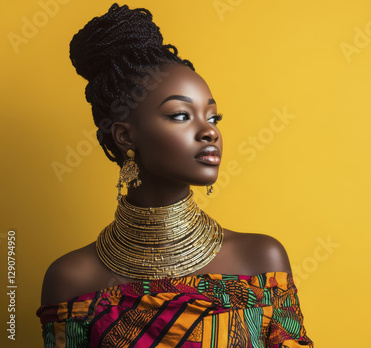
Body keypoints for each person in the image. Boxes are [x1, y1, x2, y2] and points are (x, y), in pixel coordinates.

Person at [36, 3, 313, 347]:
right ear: (125, 136)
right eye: (181, 115)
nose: (209, 132)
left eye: (213, 118)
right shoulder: (72, 280)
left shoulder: (261, 261)